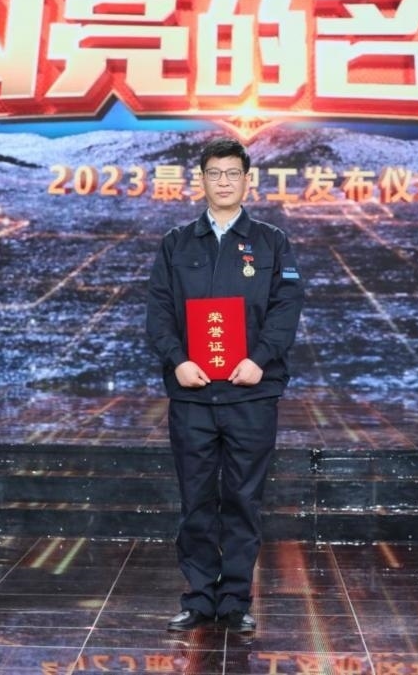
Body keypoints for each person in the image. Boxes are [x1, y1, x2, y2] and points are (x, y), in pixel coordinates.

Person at [146, 136, 304, 633]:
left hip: (251, 392)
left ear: (247, 180)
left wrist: (260, 359)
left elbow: (286, 309)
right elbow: (158, 312)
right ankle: (198, 598)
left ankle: (235, 599)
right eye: (214, 173)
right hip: (192, 393)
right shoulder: (176, 242)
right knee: (195, 499)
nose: (223, 182)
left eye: (233, 173)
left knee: (242, 498)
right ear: (201, 180)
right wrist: (178, 362)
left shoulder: (272, 242)